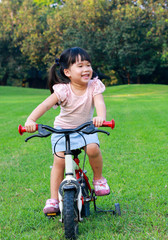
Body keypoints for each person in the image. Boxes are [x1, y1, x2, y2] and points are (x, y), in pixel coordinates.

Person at [24, 47, 110, 215]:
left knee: (93, 149)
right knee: (59, 161)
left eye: (88, 65)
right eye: (80, 66)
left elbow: (100, 103)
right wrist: (31, 120)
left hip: (85, 128)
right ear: (67, 72)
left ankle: (99, 179)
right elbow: (46, 105)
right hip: (62, 130)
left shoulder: (94, 86)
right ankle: (53, 199)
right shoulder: (63, 89)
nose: (86, 69)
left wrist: (101, 117)